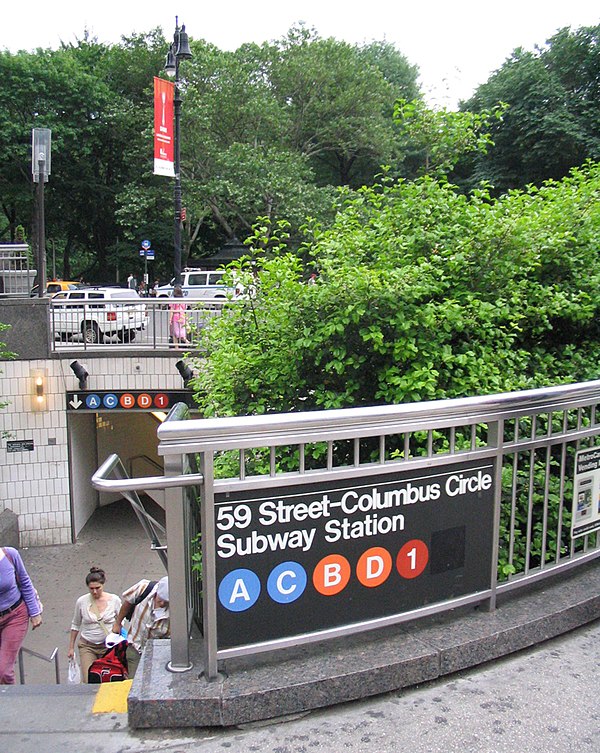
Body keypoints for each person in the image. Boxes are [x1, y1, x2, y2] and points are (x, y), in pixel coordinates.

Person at [68, 567, 121, 683]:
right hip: (88, 645)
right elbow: (75, 624)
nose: (95, 592)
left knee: (108, 679)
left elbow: (121, 621)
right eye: (91, 589)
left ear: (103, 585)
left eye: (98, 588)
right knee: (89, 679)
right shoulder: (81, 602)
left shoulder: (114, 600)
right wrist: (71, 647)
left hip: (108, 647)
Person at [110, 576, 170, 678]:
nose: (163, 603)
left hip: (155, 655)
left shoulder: (176, 610)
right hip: (134, 646)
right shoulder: (143, 588)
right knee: (133, 682)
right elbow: (127, 603)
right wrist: (118, 623)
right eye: (161, 599)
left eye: (166, 601)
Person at [0, 547, 42, 684]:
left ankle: (10, 701)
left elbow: (25, 582)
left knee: (3, 669)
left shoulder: (10, 555)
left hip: (15, 616)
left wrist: (34, 612)